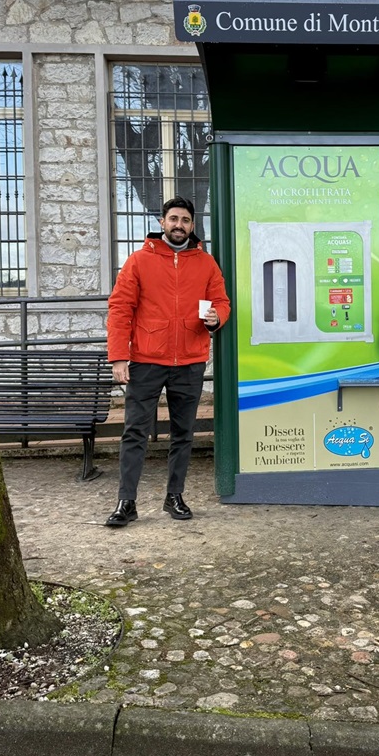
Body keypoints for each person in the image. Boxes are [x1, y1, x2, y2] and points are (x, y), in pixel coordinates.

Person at [105, 196, 230, 528]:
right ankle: (126, 502)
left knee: (183, 433)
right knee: (135, 431)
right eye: (173, 219)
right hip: (146, 360)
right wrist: (119, 356)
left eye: (186, 220)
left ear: (192, 225)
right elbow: (120, 308)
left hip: (189, 360)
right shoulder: (138, 261)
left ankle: (175, 496)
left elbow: (221, 301)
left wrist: (218, 317)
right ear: (162, 222)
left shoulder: (206, 263)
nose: (179, 225)